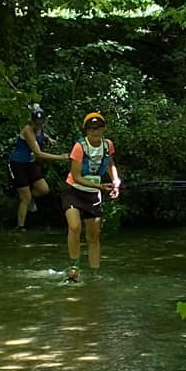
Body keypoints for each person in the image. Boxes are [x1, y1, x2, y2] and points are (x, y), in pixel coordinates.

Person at [63, 111, 120, 281]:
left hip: (93, 195)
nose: (95, 132)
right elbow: (77, 176)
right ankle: (74, 267)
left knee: (94, 236)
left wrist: (116, 180)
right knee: (74, 226)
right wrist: (100, 186)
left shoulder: (107, 145)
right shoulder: (79, 147)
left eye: (98, 128)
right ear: (86, 131)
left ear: (103, 129)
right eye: (91, 129)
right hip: (74, 191)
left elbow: (110, 164)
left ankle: (95, 274)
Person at [9, 104, 67, 225]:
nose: (38, 125)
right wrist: (60, 157)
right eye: (36, 122)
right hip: (18, 164)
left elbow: (41, 134)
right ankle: (21, 226)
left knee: (43, 189)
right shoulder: (28, 130)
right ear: (32, 120)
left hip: (30, 163)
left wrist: (49, 139)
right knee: (26, 198)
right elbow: (38, 153)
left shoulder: (40, 128)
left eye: (40, 122)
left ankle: (27, 197)